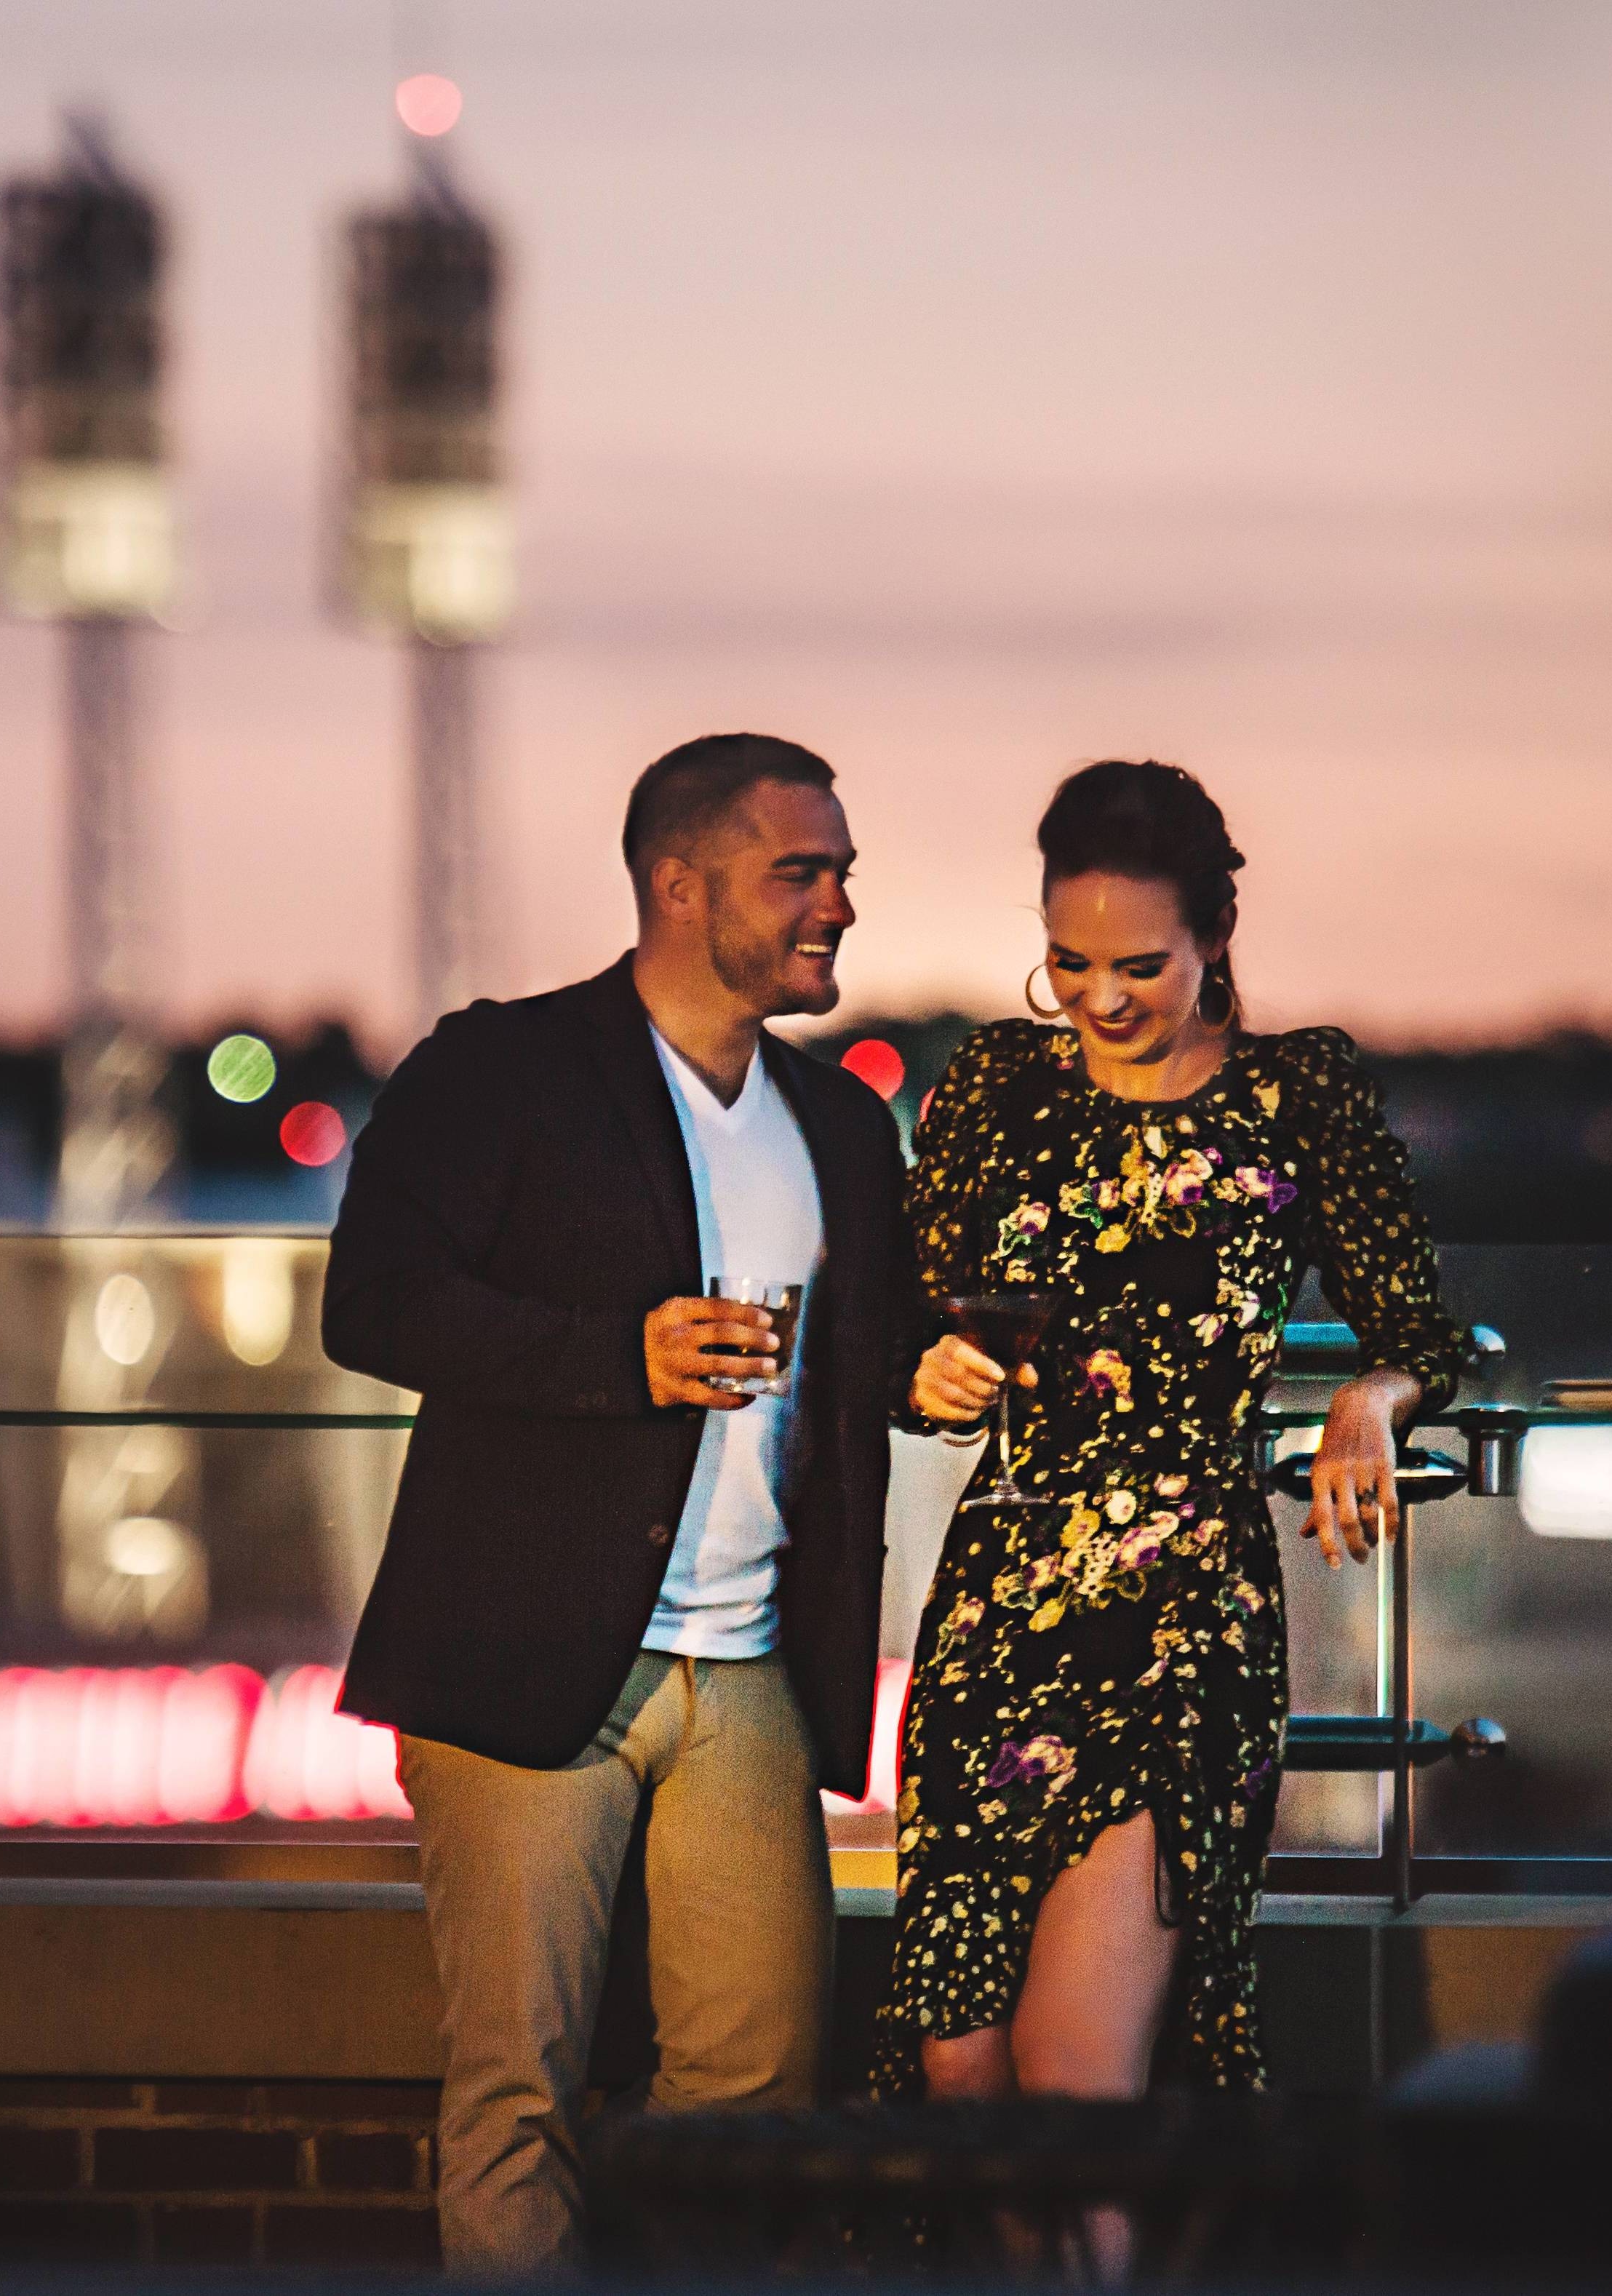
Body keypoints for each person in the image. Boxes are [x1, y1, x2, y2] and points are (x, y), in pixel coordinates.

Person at [324, 732, 913, 2275]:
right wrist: (619, 1358)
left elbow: (869, 1364)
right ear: (678, 880)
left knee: (759, 2102)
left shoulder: (843, 1125)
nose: (839, 904)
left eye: (842, 872)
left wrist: (945, 1370)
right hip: (522, 1662)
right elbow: (374, 1306)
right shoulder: (500, 1069)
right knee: (518, 2092)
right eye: (803, 871)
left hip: (754, 1677)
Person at [875, 759, 1464, 2135]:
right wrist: (931, 1374)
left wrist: (1366, 1404)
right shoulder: (991, 1093)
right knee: (960, 2070)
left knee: (1075, 2074)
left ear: (1216, 940)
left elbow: (1419, 1334)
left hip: (1185, 1611)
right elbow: (893, 1343)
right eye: (1067, 961)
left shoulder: (1296, 1095)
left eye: (1140, 962)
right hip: (1000, 1600)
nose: (1100, 997)